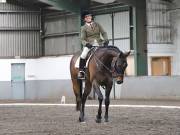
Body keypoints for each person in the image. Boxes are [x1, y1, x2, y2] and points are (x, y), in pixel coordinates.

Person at [78, 11, 109, 79]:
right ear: (84, 19)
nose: (89, 17)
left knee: (108, 52)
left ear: (91, 17)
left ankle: (111, 69)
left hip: (99, 43)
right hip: (90, 45)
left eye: (90, 16)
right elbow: (82, 39)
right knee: (83, 55)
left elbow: (103, 33)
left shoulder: (97, 24)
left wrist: (106, 39)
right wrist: (86, 44)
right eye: (87, 16)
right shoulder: (83, 28)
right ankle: (81, 71)